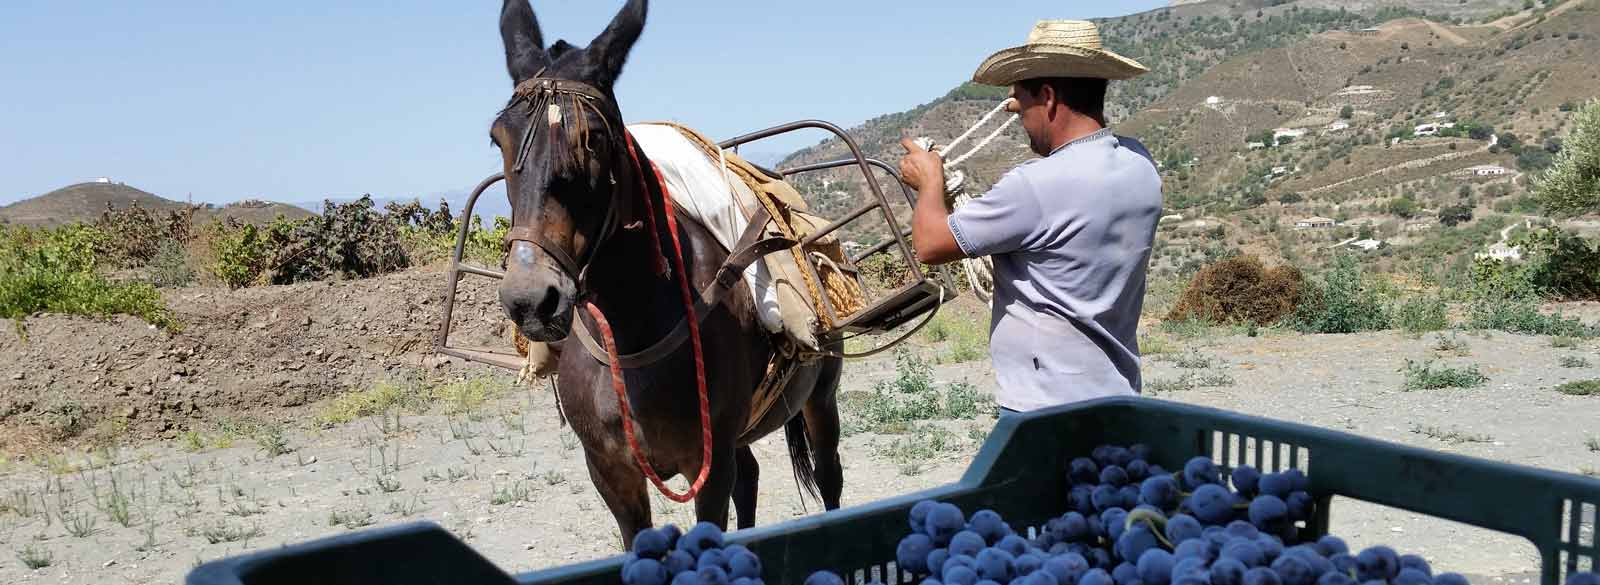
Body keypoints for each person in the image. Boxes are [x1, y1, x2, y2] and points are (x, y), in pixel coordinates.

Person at [897, 20, 1162, 414]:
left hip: (1044, 407)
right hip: (1118, 393)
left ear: (1049, 97)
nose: (1017, 113)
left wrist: (930, 180)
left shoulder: (1037, 185)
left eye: (1021, 101)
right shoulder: (1139, 163)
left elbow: (931, 244)